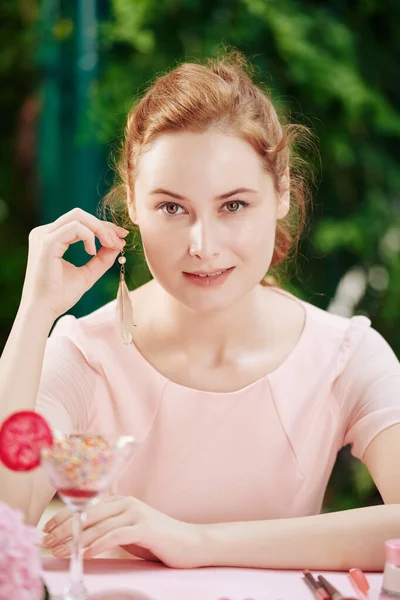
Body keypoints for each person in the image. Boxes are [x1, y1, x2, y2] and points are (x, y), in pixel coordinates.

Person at [1, 50, 400, 571]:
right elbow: (7, 518)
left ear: (281, 192)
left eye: (233, 205)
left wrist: (196, 542)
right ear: (134, 204)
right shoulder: (85, 355)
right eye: (172, 207)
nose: (202, 245)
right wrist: (35, 313)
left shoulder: (345, 355)